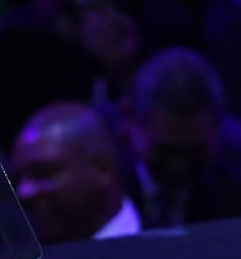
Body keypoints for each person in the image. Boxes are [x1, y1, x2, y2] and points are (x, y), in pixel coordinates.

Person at [124, 47, 241, 228]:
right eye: (165, 150)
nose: (178, 166)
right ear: (130, 120)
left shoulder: (233, 187)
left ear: (217, 130)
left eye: (195, 151)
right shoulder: (100, 183)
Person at [12, 102, 141, 244]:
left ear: (103, 168)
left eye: (42, 173)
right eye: (18, 179)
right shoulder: (21, 257)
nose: (23, 192)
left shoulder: (164, 246)